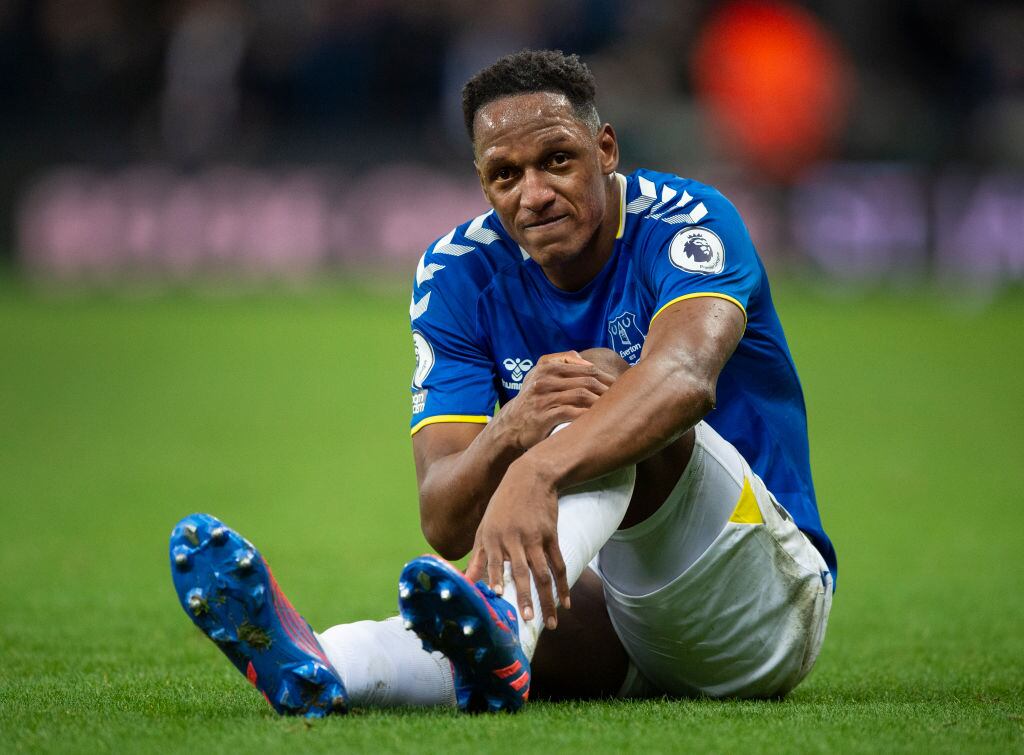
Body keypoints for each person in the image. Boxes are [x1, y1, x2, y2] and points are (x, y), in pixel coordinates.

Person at [170, 49, 836, 717]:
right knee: (457, 630)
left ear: (605, 149)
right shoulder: (457, 272)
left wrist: (538, 466)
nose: (534, 194)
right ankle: (326, 657)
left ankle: (504, 620)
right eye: (505, 174)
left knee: (594, 382)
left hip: (765, 599)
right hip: (633, 620)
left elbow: (684, 380)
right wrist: (509, 432)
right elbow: (444, 516)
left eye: (557, 160)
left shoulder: (687, 220)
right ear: (483, 183)